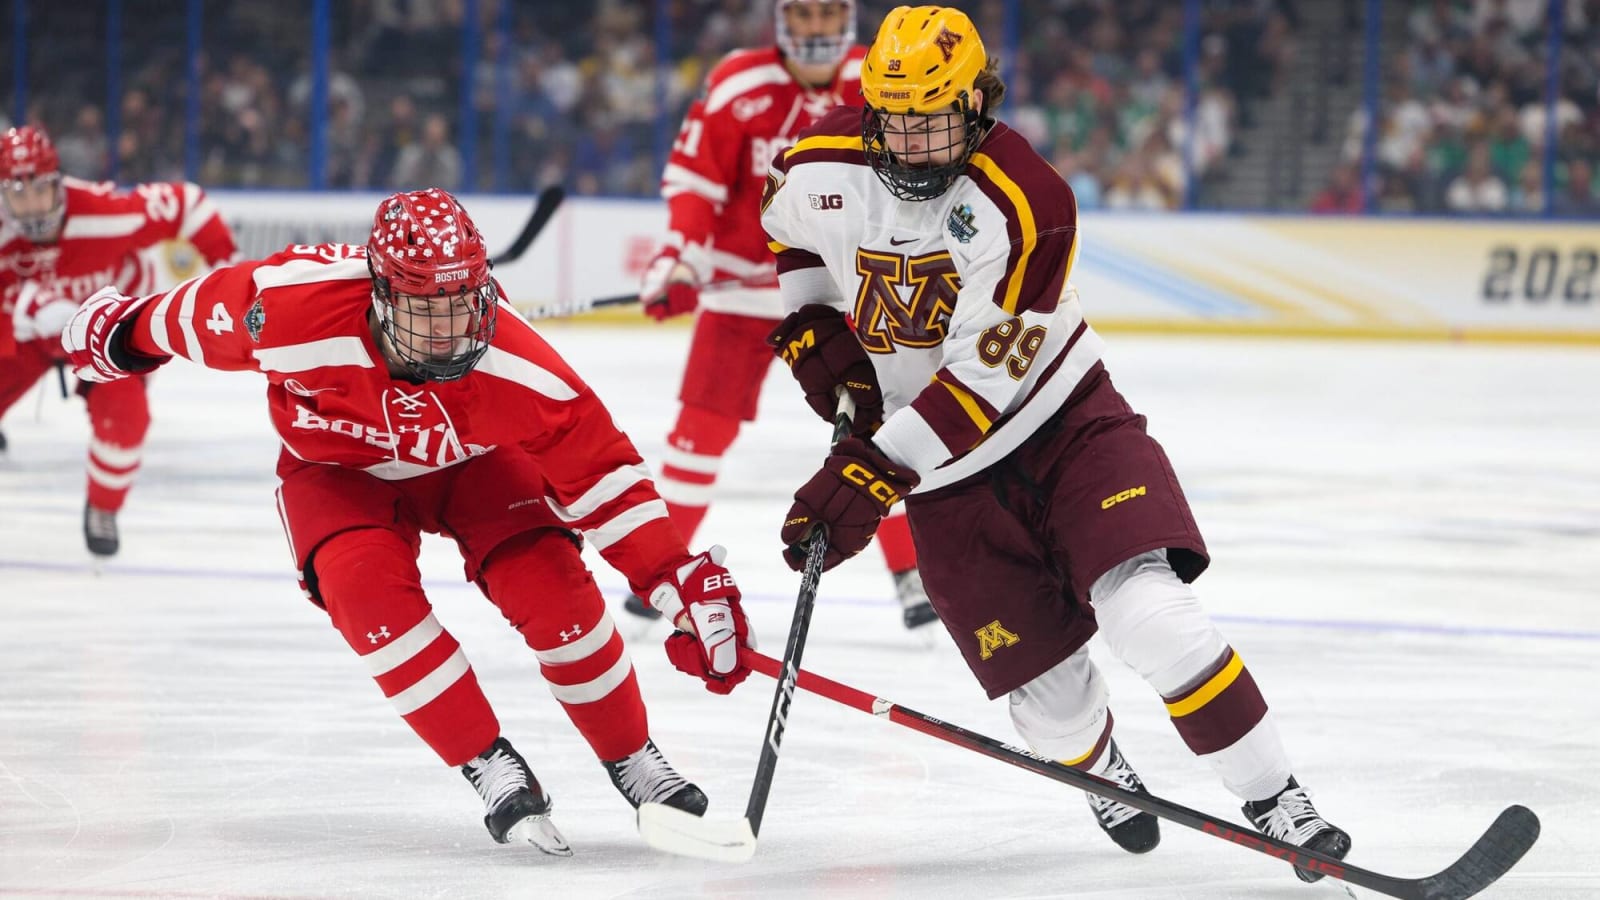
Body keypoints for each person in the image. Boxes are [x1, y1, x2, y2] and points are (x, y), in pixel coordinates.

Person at [757, 5, 1351, 881]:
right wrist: (816, 332)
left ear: (977, 105)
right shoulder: (818, 165)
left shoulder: (1029, 200)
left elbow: (982, 384)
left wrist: (871, 473)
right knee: (1054, 714)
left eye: (935, 121)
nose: (915, 142)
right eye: (897, 121)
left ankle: (1278, 799)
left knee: (1151, 617)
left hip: (1062, 429)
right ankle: (1101, 766)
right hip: (945, 484)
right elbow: (787, 235)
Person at [61, 188, 756, 854]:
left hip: (475, 467)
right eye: (430, 307)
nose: (455, 328)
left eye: (465, 301)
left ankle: (634, 758)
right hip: (337, 474)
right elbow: (189, 317)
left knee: (559, 596)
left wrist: (675, 582)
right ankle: (488, 763)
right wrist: (118, 335)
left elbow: (603, 475)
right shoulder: (289, 308)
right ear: (382, 294)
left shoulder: (517, 365)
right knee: (367, 600)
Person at [631, 0, 936, 631]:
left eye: (828, 15)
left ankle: (912, 573)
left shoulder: (883, 80)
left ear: (847, 20)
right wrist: (678, 260)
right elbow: (696, 184)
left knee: (880, 430)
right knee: (700, 433)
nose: (816, 28)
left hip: (847, 298)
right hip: (742, 299)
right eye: (803, 15)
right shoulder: (739, 82)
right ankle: (658, 571)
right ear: (781, 21)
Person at [0, 125, 238, 556]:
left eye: (41, 189)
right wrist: (25, 307)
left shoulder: (106, 213)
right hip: (32, 337)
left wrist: (233, 268)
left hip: (105, 332)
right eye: (18, 192)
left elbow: (187, 203)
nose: (32, 205)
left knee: (126, 422)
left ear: (59, 182)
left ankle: (103, 506)